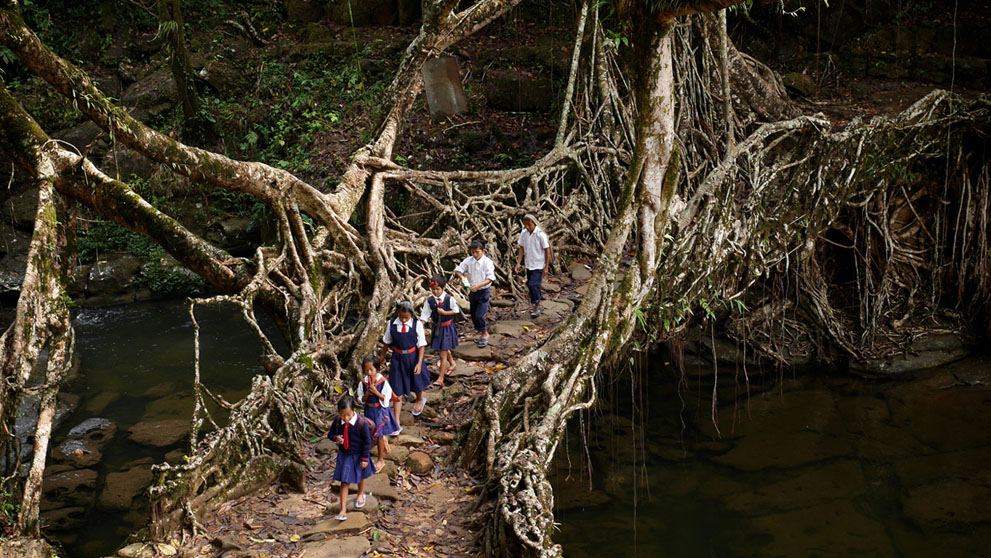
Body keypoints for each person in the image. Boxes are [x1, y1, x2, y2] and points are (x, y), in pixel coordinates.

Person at [379, 300, 430, 422]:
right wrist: (383, 356)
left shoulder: (416, 325)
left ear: (411, 315)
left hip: (413, 356)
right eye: (401, 317)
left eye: (406, 317)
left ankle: (419, 399)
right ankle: (396, 420)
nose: (403, 320)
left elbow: (421, 345)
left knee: (416, 380)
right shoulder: (391, 324)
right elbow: (387, 341)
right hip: (397, 357)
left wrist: (419, 362)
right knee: (396, 386)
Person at [327, 395, 374, 521]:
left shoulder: (361, 423)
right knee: (344, 481)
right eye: (343, 415)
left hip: (359, 454)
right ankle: (343, 510)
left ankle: (360, 494)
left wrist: (364, 458)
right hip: (345, 455)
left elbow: (366, 442)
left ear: (354, 410)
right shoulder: (337, 422)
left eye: (348, 414)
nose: (346, 418)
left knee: (361, 476)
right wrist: (336, 437)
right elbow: (330, 434)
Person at [357, 355, 401, 470]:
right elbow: (360, 399)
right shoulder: (363, 383)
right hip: (369, 410)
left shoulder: (383, 382)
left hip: (379, 411)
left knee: (380, 434)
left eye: (371, 369)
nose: (369, 372)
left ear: (377, 369)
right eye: (366, 370)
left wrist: (376, 392)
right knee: (369, 433)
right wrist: (367, 394)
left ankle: (381, 459)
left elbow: (386, 401)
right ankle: (366, 456)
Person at [419, 274, 460, 386]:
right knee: (444, 348)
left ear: (444, 288)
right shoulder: (430, 301)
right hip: (437, 327)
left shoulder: (449, 299)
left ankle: (440, 378)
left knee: (442, 354)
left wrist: (445, 313)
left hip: (447, 328)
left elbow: (456, 311)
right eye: (433, 289)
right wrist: (420, 325)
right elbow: (425, 314)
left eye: (438, 289)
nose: (435, 292)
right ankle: (452, 363)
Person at [454, 239, 495, 347]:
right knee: (473, 313)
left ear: (483, 251)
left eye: (477, 252)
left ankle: (485, 334)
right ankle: (481, 333)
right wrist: (462, 277)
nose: (475, 254)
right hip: (472, 291)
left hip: (483, 291)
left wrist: (479, 286)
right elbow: (458, 270)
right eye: (473, 252)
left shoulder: (487, 262)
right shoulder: (469, 261)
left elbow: (490, 278)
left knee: (480, 315)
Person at [514, 214, 551, 318]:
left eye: (529, 225)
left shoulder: (540, 234)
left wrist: (546, 266)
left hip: (539, 264)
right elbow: (521, 248)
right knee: (532, 285)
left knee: (533, 285)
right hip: (529, 264)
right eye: (525, 225)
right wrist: (518, 263)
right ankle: (537, 304)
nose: (527, 227)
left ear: (534, 223)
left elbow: (547, 250)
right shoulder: (524, 233)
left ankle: (538, 305)